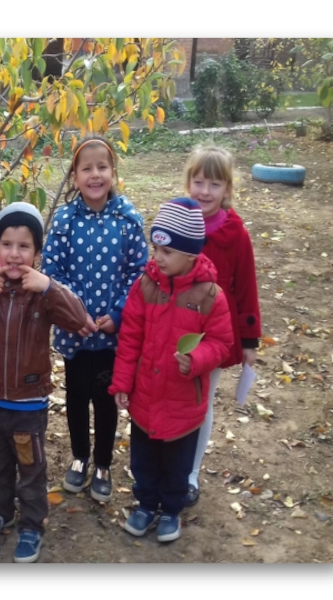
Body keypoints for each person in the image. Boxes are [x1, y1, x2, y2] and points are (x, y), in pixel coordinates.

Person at [0, 202, 87, 562]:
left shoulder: (41, 293)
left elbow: (77, 319)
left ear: (37, 252)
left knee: (30, 469)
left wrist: (49, 286)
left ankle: (31, 525)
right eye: (6, 244)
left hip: (29, 404)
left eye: (24, 246)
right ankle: (2, 509)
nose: (13, 254)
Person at [109, 198, 233, 542]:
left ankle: (171, 510)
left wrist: (198, 358)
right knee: (144, 460)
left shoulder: (210, 296)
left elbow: (222, 343)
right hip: (145, 398)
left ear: (190, 254)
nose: (158, 257)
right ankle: (146, 504)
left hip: (183, 402)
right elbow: (130, 338)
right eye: (155, 248)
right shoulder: (145, 286)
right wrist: (122, 383)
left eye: (167, 251)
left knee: (177, 463)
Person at [41, 134, 148, 502]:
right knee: (76, 397)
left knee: (105, 400)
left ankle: (102, 463)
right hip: (76, 334)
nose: (95, 174)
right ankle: (79, 457)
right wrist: (75, 315)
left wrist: (118, 313)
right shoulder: (65, 220)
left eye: (102, 167)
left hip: (111, 336)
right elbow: (53, 270)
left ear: (113, 172)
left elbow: (138, 273)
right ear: (75, 177)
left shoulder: (127, 219)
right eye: (86, 168)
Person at [182, 145, 262, 507]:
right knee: (175, 396)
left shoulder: (236, 235)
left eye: (214, 184)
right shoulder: (179, 222)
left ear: (227, 189)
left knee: (202, 400)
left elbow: (246, 289)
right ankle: (168, 463)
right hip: (178, 327)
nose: (205, 191)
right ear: (189, 182)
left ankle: (190, 472)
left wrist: (249, 340)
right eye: (199, 182)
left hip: (216, 334)